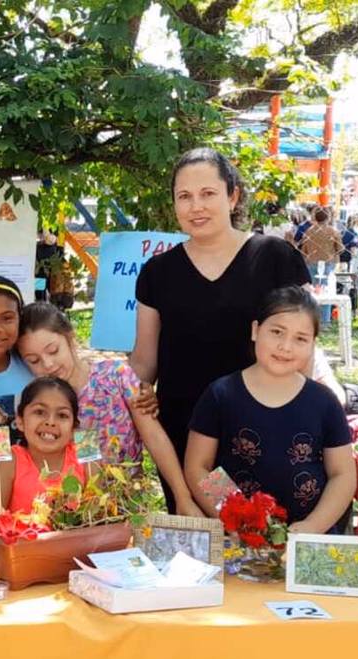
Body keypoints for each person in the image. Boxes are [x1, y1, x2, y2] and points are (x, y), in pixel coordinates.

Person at [130, 148, 311, 512]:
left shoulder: (276, 258)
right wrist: (109, 388)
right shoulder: (158, 273)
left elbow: (303, 347)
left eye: (208, 193)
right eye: (185, 196)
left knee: (259, 537)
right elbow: (144, 361)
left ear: (232, 196)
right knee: (206, 542)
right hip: (186, 441)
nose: (196, 206)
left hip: (261, 433)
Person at [185, 287, 356, 531]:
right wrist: (240, 519)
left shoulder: (324, 402)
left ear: (313, 344)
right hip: (236, 538)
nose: (285, 346)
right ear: (256, 330)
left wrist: (312, 526)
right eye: (277, 332)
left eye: (300, 338)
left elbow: (343, 475)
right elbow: (197, 467)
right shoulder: (220, 394)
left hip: (306, 542)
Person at [17, 302, 204, 516]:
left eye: (53, 350)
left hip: (129, 508)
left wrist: (182, 496)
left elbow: (154, 436)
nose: (48, 364)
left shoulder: (116, 375)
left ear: (70, 337)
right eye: (34, 360)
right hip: (70, 515)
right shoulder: (41, 402)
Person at [0, 376, 86, 523]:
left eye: (62, 415)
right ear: (20, 421)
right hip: (19, 545)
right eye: (39, 412)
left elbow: (100, 519)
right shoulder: (7, 461)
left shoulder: (86, 453)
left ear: (74, 428)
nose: (50, 422)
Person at [299, 207, 342, 327]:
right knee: (326, 291)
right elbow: (340, 248)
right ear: (328, 218)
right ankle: (324, 322)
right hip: (328, 262)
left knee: (312, 291)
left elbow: (304, 249)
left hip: (311, 262)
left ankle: (312, 320)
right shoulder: (333, 231)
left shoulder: (309, 231)